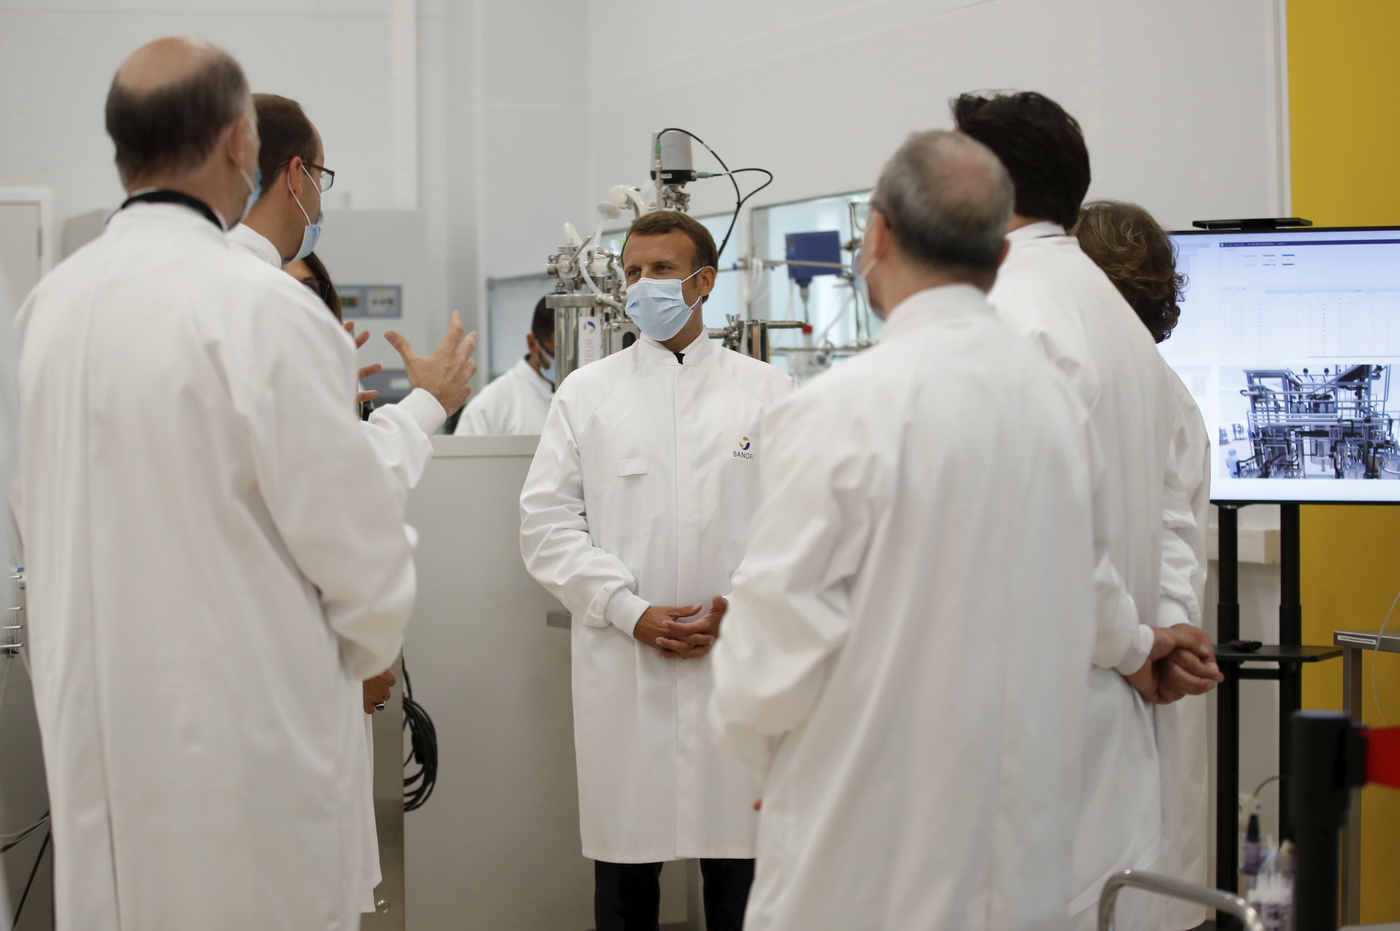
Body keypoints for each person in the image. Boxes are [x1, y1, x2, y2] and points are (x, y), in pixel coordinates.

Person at [706, 129, 1204, 931]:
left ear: (877, 235)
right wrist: (1141, 646)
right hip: (1027, 849)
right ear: (1000, 249)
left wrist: (775, 756)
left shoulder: (834, 409)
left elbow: (765, 659)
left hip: (864, 849)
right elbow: (1093, 583)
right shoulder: (1052, 407)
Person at [15, 37, 416, 930]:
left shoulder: (50, 306)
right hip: (241, 756)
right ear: (242, 142)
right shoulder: (264, 305)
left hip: (99, 741)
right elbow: (364, 564)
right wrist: (360, 653)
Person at [953, 91, 1222, 929]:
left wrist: (1138, 642)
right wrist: (1155, 636)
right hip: (1106, 713)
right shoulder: (1108, 317)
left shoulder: (1009, 314)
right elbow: (1171, 521)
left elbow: (1039, 530)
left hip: (1042, 716)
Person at [519, 210, 796, 931]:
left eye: (662, 271)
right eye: (633, 272)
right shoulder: (586, 392)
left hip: (735, 663)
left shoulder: (768, 393)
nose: (643, 285)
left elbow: (800, 526)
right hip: (626, 668)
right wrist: (624, 608)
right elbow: (546, 527)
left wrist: (742, 603)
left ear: (705, 282)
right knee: (624, 884)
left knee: (743, 878)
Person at [1074, 199, 1214, 930]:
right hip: (1127, 665)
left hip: (1122, 676)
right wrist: (1165, 635)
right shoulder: (1160, 391)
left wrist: (1155, 642)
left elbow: (1171, 541)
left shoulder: (1146, 394)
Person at [229, 92, 475, 505]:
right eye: (319, 177)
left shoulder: (182, 280)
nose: (318, 197)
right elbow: (345, 483)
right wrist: (430, 400)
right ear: (295, 175)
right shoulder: (277, 304)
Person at [454, 297, 554, 435]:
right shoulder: (489, 406)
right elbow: (465, 455)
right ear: (532, 344)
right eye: (557, 354)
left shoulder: (587, 392)